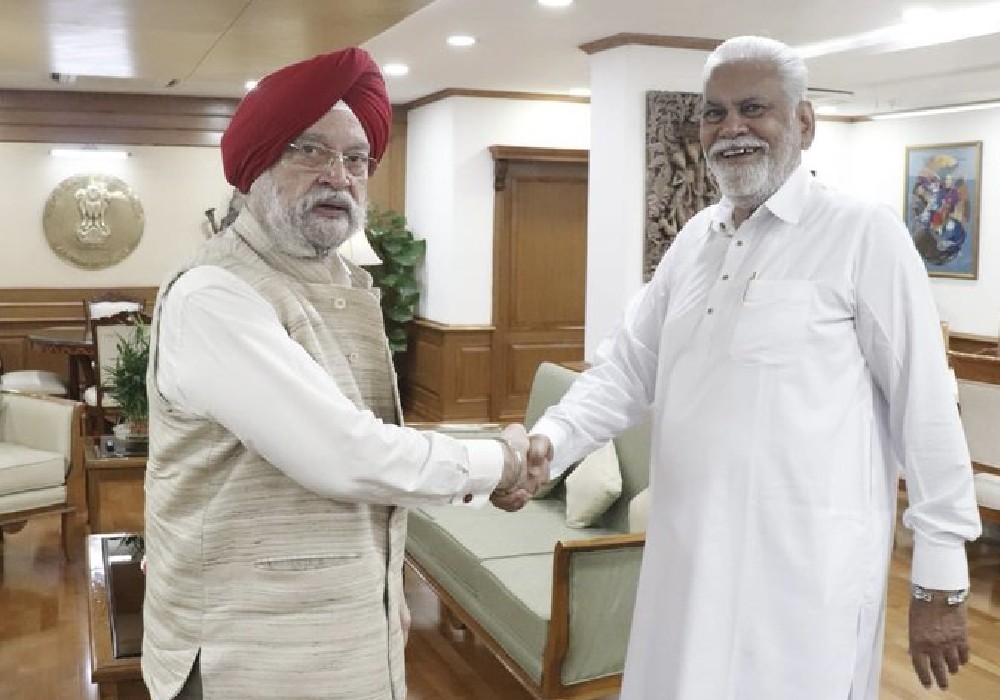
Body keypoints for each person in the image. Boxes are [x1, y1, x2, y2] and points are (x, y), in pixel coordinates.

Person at [525, 35, 981, 700]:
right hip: (683, 568)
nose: (730, 129)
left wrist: (940, 577)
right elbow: (626, 372)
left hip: (801, 581)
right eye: (713, 113)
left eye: (753, 108)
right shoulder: (693, 242)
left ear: (802, 123)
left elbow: (927, 409)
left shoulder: (863, 234)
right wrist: (551, 442)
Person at [140, 47, 546, 700]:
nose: (340, 175)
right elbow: (343, 454)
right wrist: (497, 462)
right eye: (309, 151)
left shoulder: (340, 283)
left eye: (356, 159)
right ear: (255, 167)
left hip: (342, 632)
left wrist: (381, 594)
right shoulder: (215, 294)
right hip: (247, 654)